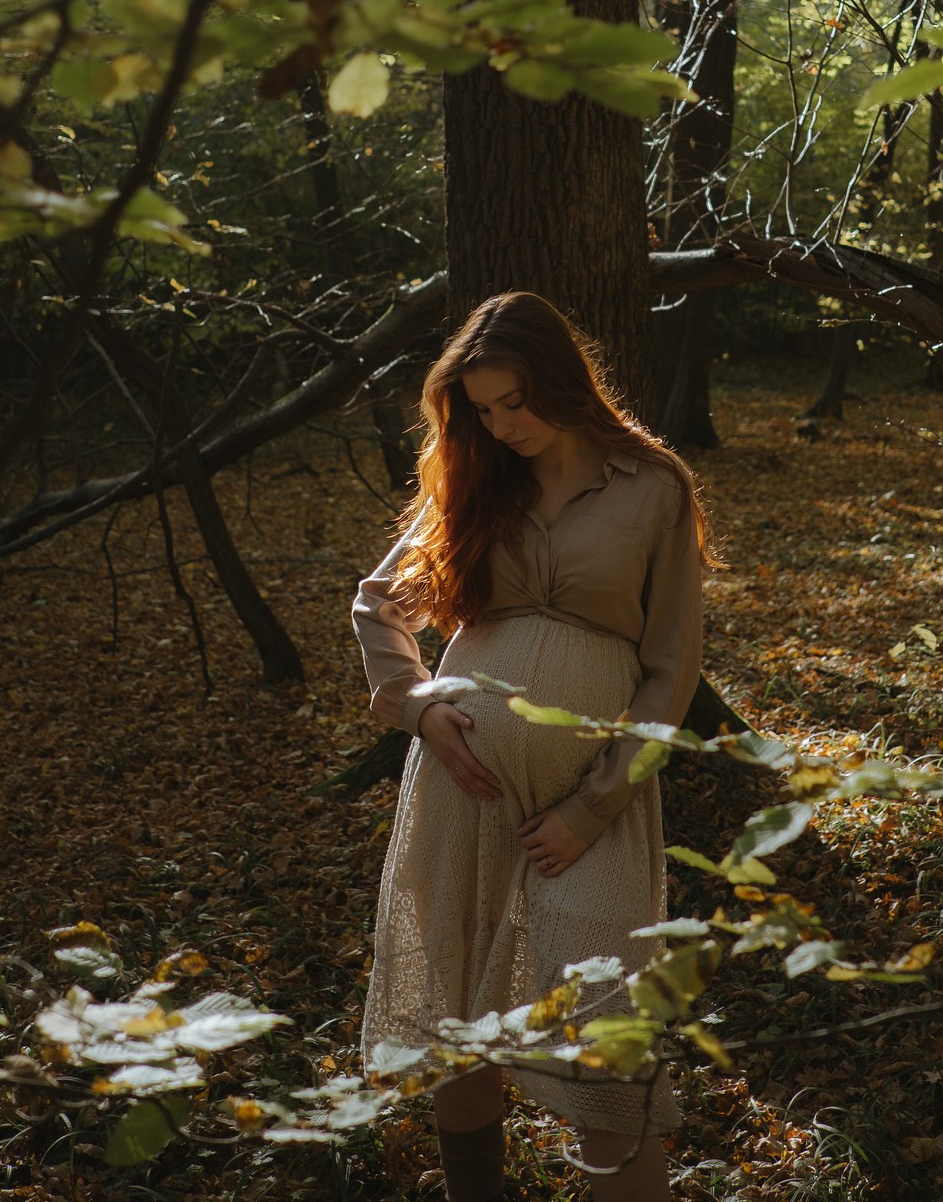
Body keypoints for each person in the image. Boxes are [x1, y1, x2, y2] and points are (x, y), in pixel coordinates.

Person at [351, 291, 709, 1202]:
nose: (502, 425)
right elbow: (378, 603)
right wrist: (418, 706)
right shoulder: (478, 477)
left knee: (605, 1026)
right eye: (482, 409)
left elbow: (669, 670)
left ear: (562, 381)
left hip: (591, 809)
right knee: (460, 1008)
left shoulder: (652, 484)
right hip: (460, 786)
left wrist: (595, 806)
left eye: (516, 402)